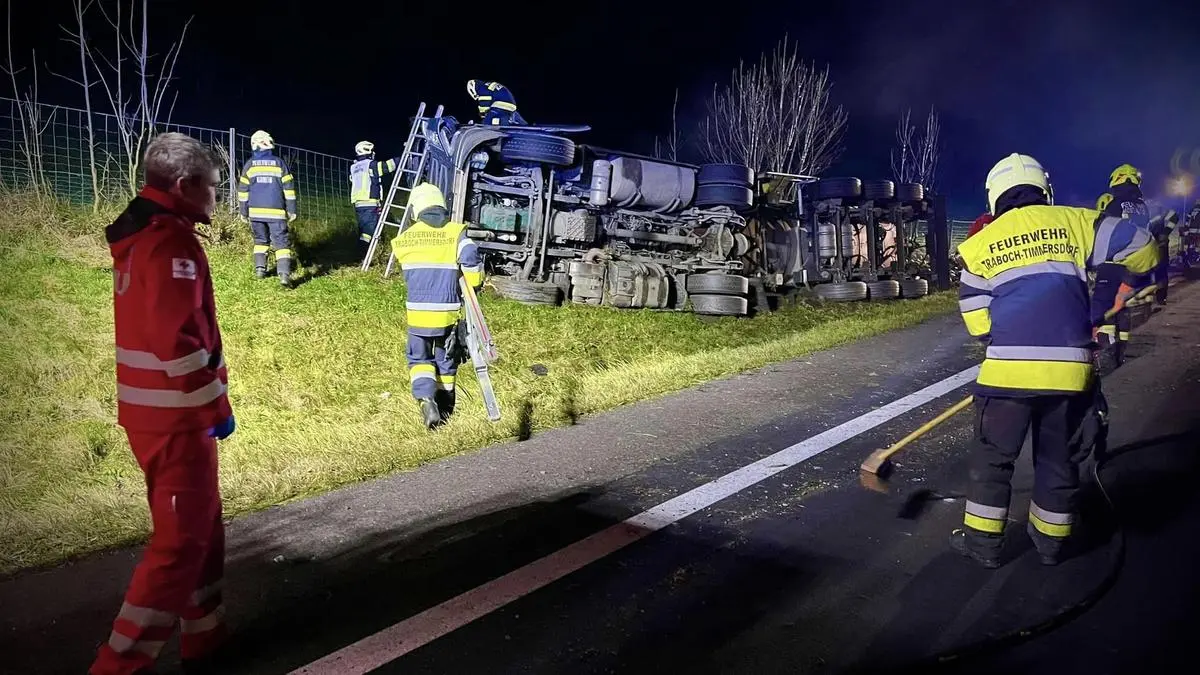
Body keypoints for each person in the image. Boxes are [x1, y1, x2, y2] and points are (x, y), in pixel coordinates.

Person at [952, 153, 1158, 569]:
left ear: (995, 196)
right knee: (1058, 458)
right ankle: (1050, 545)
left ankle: (984, 545)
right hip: (1070, 374)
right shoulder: (1080, 222)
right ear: (1044, 191)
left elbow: (977, 323)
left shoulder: (978, 246)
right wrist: (1117, 291)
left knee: (993, 460)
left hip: (1005, 374)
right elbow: (1144, 250)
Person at [91, 132, 236, 675]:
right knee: (180, 542)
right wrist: (212, 407)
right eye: (213, 187)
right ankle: (118, 664)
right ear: (185, 185)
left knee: (203, 525)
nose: (217, 198)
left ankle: (205, 634)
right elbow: (175, 339)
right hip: (175, 416)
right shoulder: (168, 244)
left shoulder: (147, 235)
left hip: (159, 412)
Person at [389, 182, 484, 429]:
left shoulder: (403, 240)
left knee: (418, 359)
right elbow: (470, 255)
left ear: (415, 210)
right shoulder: (455, 233)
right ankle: (446, 408)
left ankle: (426, 400)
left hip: (418, 315)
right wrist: (472, 282)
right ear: (442, 206)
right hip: (447, 314)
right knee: (445, 358)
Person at [236, 129, 298, 287]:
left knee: (260, 240)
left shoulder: (249, 165)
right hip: (276, 213)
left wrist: (243, 212)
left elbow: (243, 191)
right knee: (281, 243)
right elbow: (289, 189)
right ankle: (284, 275)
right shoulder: (279, 163)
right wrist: (291, 209)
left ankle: (260, 270)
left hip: (255, 213)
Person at [349, 140, 404, 254]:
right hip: (370, 202)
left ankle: (369, 251)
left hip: (358, 204)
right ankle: (361, 254)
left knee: (364, 228)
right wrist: (403, 156)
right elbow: (387, 166)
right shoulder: (370, 165)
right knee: (369, 231)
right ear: (368, 151)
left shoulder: (354, 167)